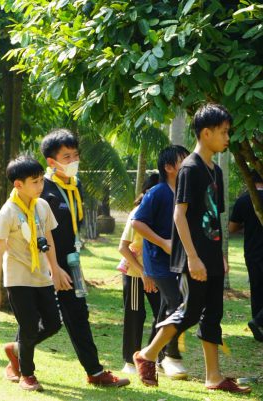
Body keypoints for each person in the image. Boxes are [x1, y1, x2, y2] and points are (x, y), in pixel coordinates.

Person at [133, 103, 251, 393]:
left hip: (211, 255)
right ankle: (147, 354)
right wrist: (193, 257)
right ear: (206, 133)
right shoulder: (190, 168)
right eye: (223, 132)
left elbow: (213, 219)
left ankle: (214, 377)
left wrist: (220, 257)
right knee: (188, 311)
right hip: (193, 257)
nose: (227, 137)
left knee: (213, 314)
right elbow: (179, 215)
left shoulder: (215, 171)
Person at [40, 129, 130, 387]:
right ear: (51, 161)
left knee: (78, 313)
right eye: (66, 157)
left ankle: (95, 372)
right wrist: (53, 267)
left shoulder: (75, 184)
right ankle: (18, 353)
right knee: (46, 319)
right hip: (47, 263)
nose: (73, 161)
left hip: (71, 261)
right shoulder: (42, 188)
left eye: (75, 155)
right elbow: (40, 232)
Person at [0, 155, 71, 392]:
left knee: (53, 323)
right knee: (29, 326)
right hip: (18, 279)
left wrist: (55, 268)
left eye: (42, 180)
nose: (41, 185)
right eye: (35, 182)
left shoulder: (42, 206)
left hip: (41, 277)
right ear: (18, 184)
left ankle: (16, 349)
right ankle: (27, 374)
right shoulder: (7, 213)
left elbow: (48, 238)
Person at [131, 145, 190, 379]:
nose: (189, 164)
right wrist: (163, 242)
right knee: (178, 303)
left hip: (180, 260)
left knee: (167, 308)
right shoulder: (157, 192)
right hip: (158, 262)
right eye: (184, 161)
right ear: (169, 167)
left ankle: (149, 356)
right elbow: (137, 223)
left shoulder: (187, 192)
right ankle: (170, 356)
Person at [117, 173, 160, 374]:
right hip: (135, 274)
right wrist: (143, 273)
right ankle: (129, 361)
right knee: (135, 315)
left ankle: (150, 356)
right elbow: (123, 247)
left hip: (158, 274)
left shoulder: (166, 211)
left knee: (164, 314)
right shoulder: (138, 212)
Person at [229, 170, 263, 342]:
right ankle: (258, 321)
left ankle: (258, 327)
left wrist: (248, 224)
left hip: (252, 251)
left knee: (256, 290)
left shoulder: (244, 199)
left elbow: (232, 227)